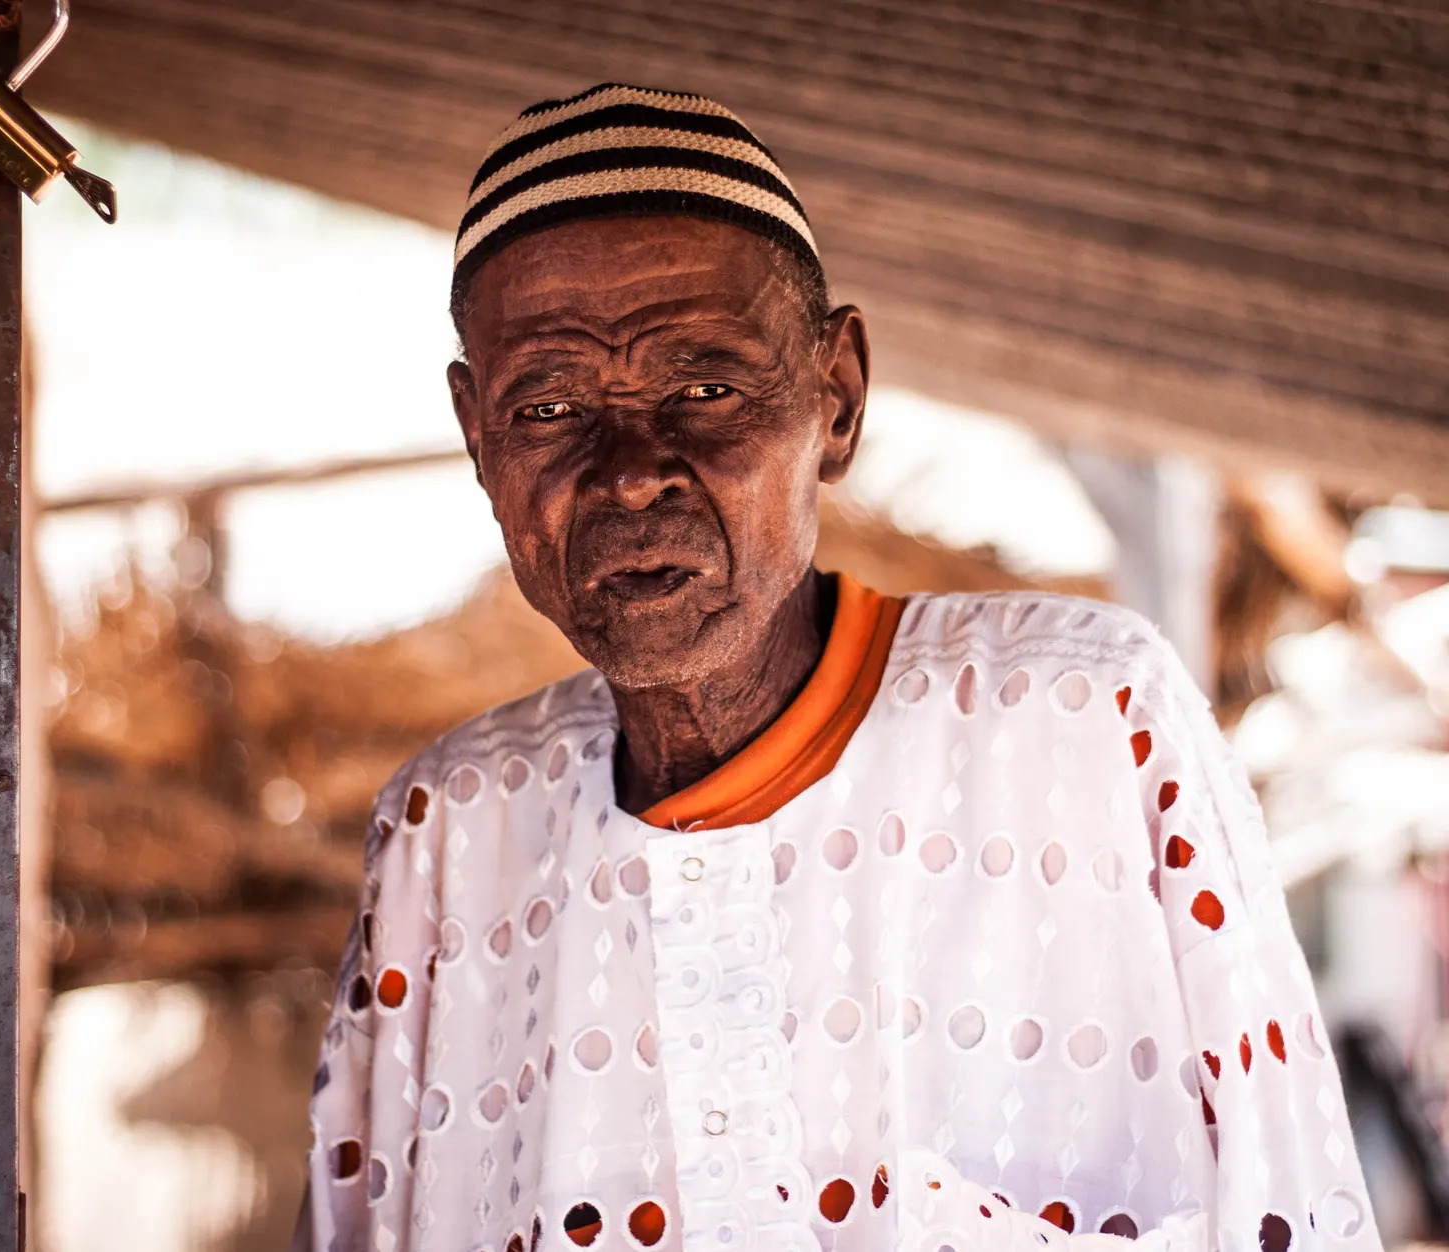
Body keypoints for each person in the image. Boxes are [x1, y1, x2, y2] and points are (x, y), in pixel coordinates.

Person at [296, 84, 1378, 1252]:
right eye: (549, 407)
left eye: (704, 389)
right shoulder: (446, 834)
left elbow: (1299, 1213)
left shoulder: (1089, 718)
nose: (630, 473)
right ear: (478, 438)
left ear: (837, 398)